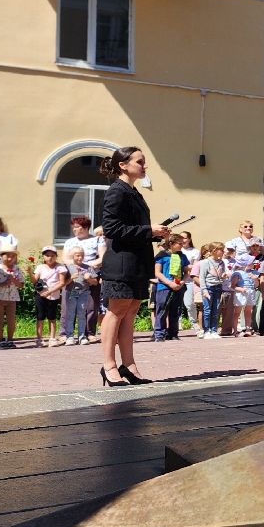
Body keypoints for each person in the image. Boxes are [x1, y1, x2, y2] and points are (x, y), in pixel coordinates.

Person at [98, 146, 171, 384]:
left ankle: (128, 365)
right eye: (140, 162)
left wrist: (155, 234)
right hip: (121, 263)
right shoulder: (116, 192)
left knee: (129, 314)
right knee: (116, 312)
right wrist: (149, 230)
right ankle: (108, 365)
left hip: (138, 261)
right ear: (123, 165)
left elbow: (133, 230)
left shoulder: (135, 193)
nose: (144, 166)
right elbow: (112, 229)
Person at [153, 234, 189, 341]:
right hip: (164, 287)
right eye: (180, 243)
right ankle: (159, 334)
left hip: (178, 286)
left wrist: (182, 282)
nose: (182, 246)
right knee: (162, 310)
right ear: (171, 244)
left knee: (176, 311)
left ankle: (173, 333)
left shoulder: (182, 256)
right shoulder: (162, 255)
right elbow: (158, 273)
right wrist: (169, 283)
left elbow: (187, 272)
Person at [33, 246, 68, 347]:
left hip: (53, 296)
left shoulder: (60, 267)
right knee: (40, 317)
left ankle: (52, 338)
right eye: (47, 255)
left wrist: (49, 292)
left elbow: (62, 283)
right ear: (43, 257)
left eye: (52, 255)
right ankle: (39, 338)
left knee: (52, 317)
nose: (50, 258)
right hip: (40, 295)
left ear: (56, 256)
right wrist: (30, 273)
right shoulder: (40, 267)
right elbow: (34, 281)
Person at [63, 245, 97, 344]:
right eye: (77, 255)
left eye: (82, 255)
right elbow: (63, 283)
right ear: (72, 256)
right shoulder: (67, 267)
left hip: (84, 293)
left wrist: (89, 279)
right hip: (71, 293)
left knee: (82, 315)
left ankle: (82, 337)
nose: (80, 258)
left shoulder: (88, 267)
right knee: (70, 315)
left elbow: (95, 282)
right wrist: (71, 278)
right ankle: (70, 337)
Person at [0, 247, 24, 348]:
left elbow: (21, 285)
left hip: (12, 297)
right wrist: (2, 283)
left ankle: (10, 340)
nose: (10, 258)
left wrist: (15, 281)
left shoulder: (17, 268)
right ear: (1, 256)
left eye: (13, 256)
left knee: (11, 320)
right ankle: (0, 340)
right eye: (7, 255)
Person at [198, 242, 226, 338]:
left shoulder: (221, 262)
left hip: (218, 287)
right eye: (221, 250)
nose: (223, 252)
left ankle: (214, 330)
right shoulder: (206, 262)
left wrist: (223, 276)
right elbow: (202, 277)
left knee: (216, 309)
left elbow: (221, 275)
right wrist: (204, 290)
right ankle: (206, 331)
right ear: (214, 251)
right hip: (209, 288)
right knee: (207, 310)